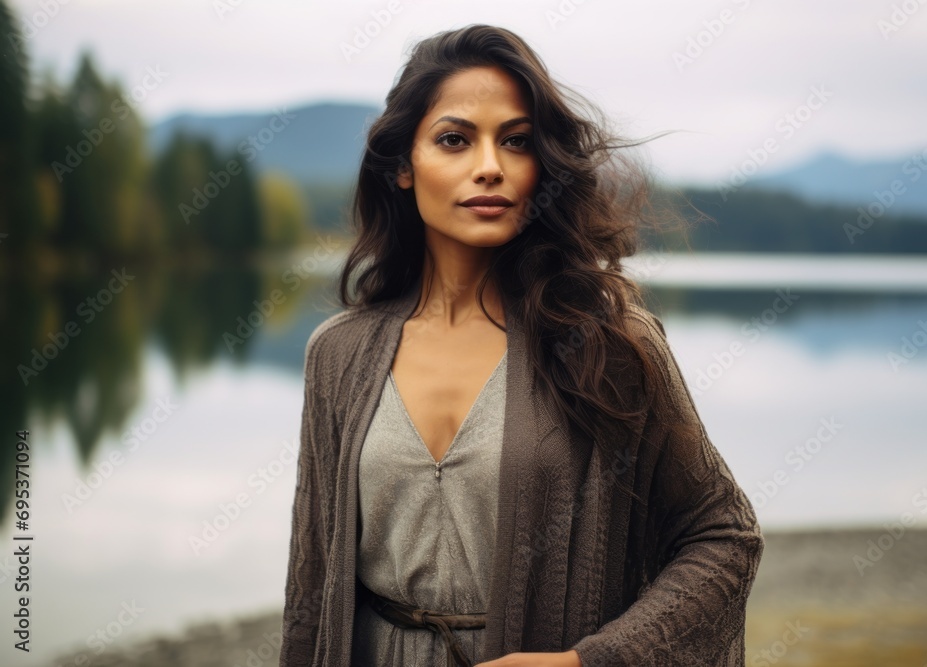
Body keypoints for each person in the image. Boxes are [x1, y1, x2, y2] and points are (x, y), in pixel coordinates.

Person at [279, 23, 764, 667]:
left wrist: (589, 662)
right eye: (454, 140)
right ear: (402, 166)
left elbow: (722, 534)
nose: (489, 167)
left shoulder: (608, 344)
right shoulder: (338, 355)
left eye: (516, 142)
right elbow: (313, 576)